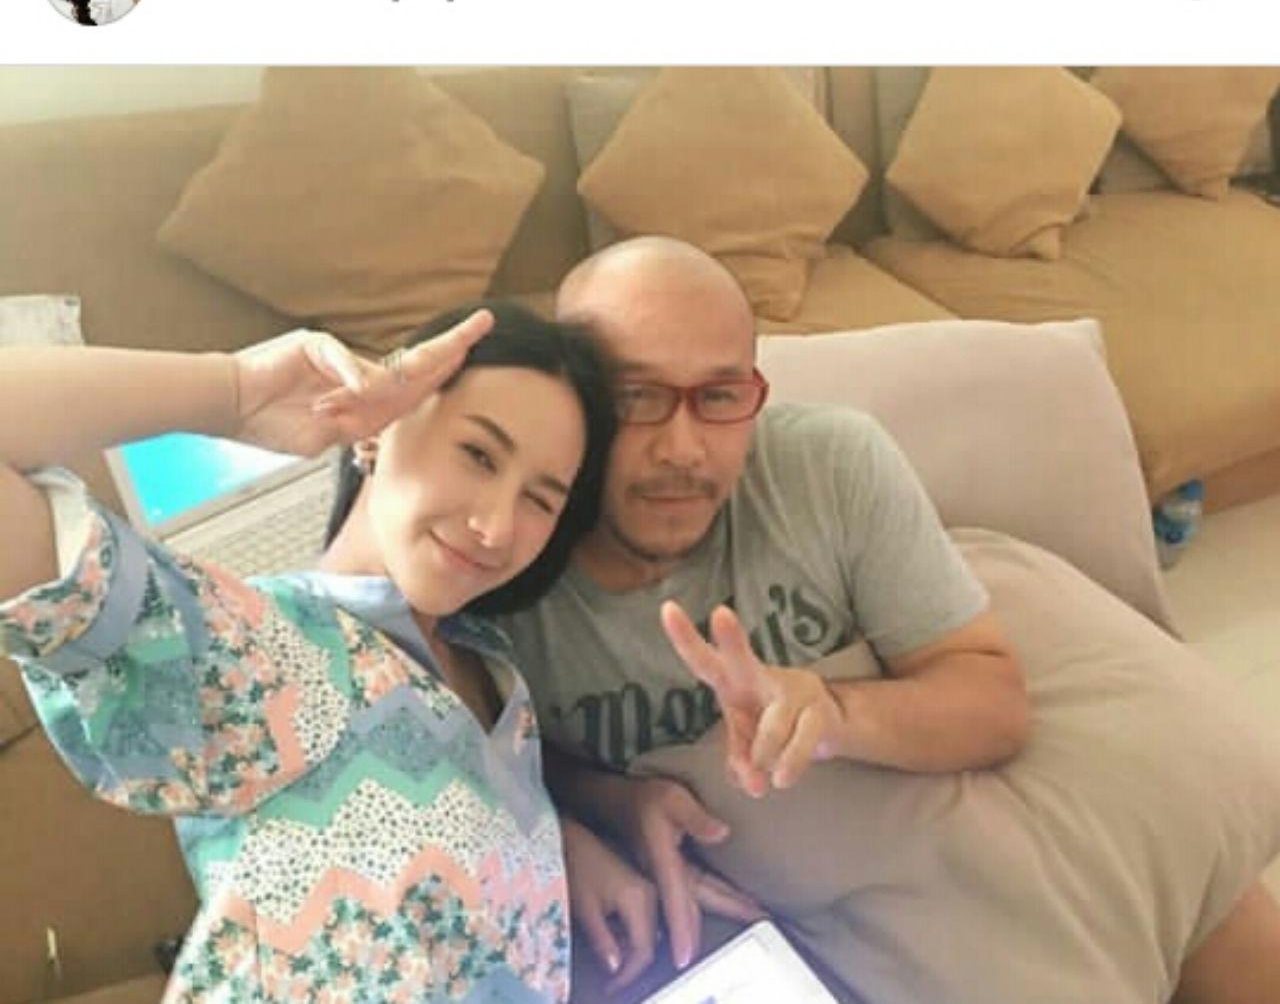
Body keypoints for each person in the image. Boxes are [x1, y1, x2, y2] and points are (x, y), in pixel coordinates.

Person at [497, 237, 1280, 1003]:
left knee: (1208, 898)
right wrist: (604, 807)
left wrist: (832, 712)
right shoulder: (505, 561)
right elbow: (490, 759)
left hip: (974, 860)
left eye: (721, 395)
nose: (682, 447)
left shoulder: (828, 468)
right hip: (796, 939)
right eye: (634, 396)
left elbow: (991, 703)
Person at [0, 301, 620, 1003]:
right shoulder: (262, 649)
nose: (496, 526)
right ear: (378, 429)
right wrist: (234, 392)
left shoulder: (496, 674)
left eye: (540, 499)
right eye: (478, 454)